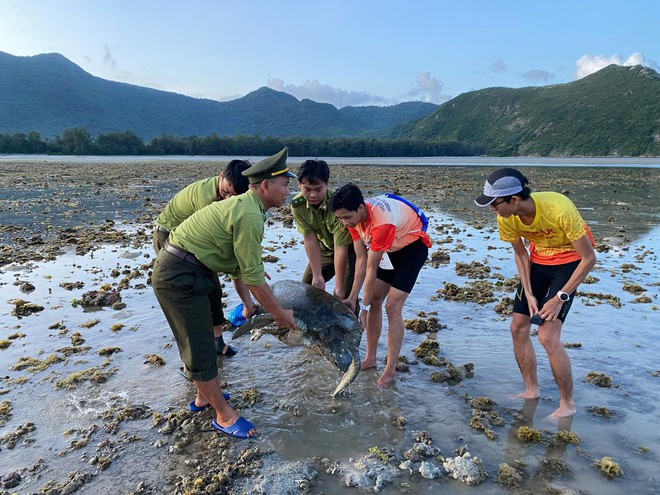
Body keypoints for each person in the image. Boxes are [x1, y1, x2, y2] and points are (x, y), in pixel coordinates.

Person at [151, 147, 298, 439]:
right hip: (179, 274)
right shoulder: (249, 214)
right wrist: (280, 315)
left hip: (191, 268)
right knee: (199, 344)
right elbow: (254, 279)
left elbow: (244, 267)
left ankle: (204, 397)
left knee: (203, 337)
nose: (288, 191)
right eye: (285, 185)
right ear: (266, 185)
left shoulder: (248, 207)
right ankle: (224, 416)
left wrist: (251, 273)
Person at [475, 168, 597, 419]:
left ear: (514, 200)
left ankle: (567, 405)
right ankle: (531, 390)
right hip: (539, 261)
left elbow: (589, 258)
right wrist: (529, 294)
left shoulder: (559, 208)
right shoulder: (506, 216)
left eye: (494, 204)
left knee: (547, 335)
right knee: (517, 327)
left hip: (570, 262)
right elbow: (521, 254)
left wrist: (559, 297)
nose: (492, 209)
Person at [329, 184, 431, 388]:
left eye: (346, 217)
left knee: (392, 306)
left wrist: (363, 308)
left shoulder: (381, 223)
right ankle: (371, 357)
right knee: (375, 298)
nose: (344, 222)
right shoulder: (352, 220)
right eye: (339, 218)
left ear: (360, 208)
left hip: (412, 250)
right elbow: (360, 259)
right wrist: (353, 297)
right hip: (390, 250)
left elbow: (371, 267)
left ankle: (390, 370)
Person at [153, 159, 250, 357]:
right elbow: (207, 237)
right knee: (191, 294)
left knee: (213, 289)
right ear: (221, 176)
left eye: (234, 196)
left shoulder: (233, 201)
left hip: (191, 243)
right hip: (170, 239)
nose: (228, 199)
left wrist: (247, 263)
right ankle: (194, 356)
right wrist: (242, 265)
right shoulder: (204, 197)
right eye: (225, 193)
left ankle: (217, 343)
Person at [290, 159, 355, 300]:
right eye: (307, 189)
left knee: (344, 296)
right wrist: (317, 275)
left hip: (348, 250)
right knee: (306, 289)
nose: (313, 195)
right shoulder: (297, 206)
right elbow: (310, 239)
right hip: (324, 248)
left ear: (327, 184)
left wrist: (338, 287)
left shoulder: (338, 206)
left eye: (318, 189)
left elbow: (340, 247)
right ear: (299, 185)